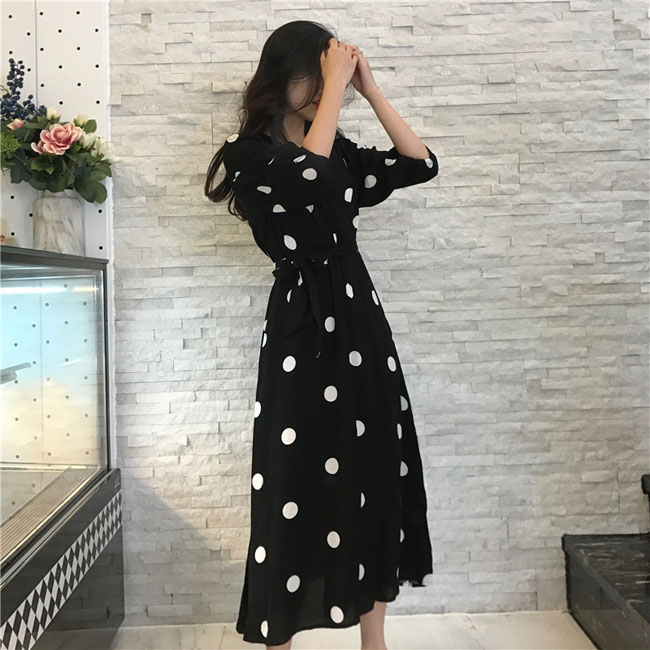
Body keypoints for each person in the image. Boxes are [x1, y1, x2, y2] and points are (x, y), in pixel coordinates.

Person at [204, 20, 439, 650]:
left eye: (328, 73)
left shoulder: (336, 148)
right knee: (293, 478)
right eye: (314, 73)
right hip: (300, 328)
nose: (323, 85)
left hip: (361, 320)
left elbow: (420, 165)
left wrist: (370, 89)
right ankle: (279, 637)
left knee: (375, 467)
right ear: (281, 77)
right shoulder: (248, 156)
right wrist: (334, 89)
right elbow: (306, 177)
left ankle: (375, 641)